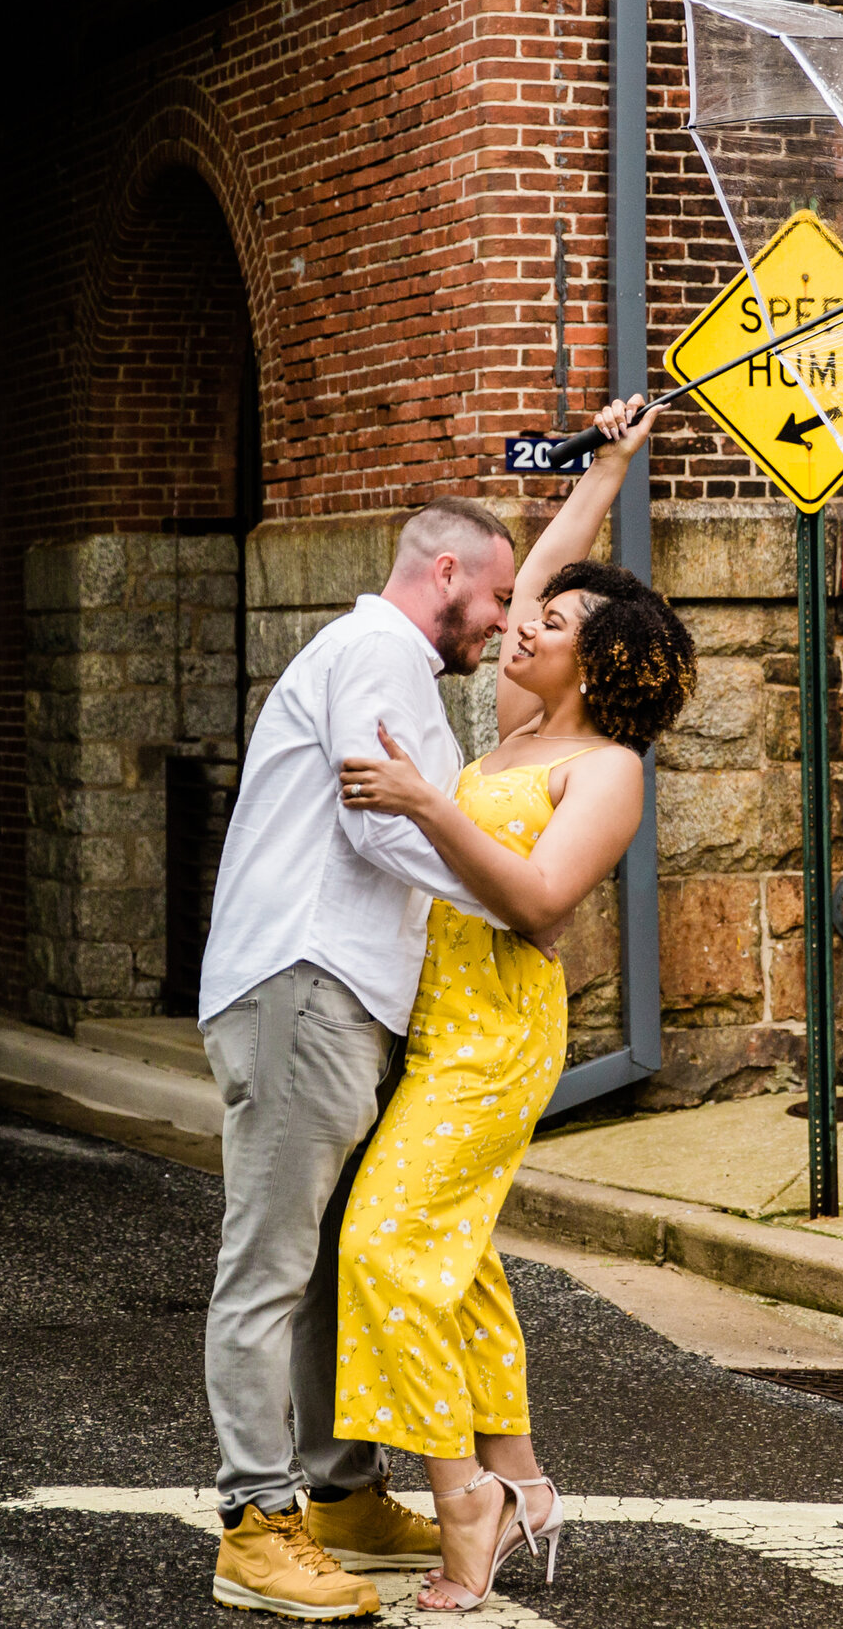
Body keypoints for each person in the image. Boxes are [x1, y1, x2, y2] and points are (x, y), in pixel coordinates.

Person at [330, 395, 695, 1612]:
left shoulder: (607, 771)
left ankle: (463, 1497)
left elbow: (540, 905)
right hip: (433, 1023)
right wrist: (608, 464)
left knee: (388, 1243)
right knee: (459, 1252)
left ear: (596, 660)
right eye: (526, 615)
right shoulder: (519, 725)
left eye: (552, 622)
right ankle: (526, 1477)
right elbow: (541, 563)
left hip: (496, 1040)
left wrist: (430, 806)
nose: (521, 620)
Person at [194, 493, 521, 1619]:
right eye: (496, 597)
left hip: (335, 990)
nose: (500, 622)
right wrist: (509, 895)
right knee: (271, 1264)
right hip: (304, 983)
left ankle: (336, 1494)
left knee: (333, 1254)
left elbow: (397, 817)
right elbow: (381, 819)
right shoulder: (378, 650)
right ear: (443, 571)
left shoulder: (388, 659)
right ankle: (255, 1520)